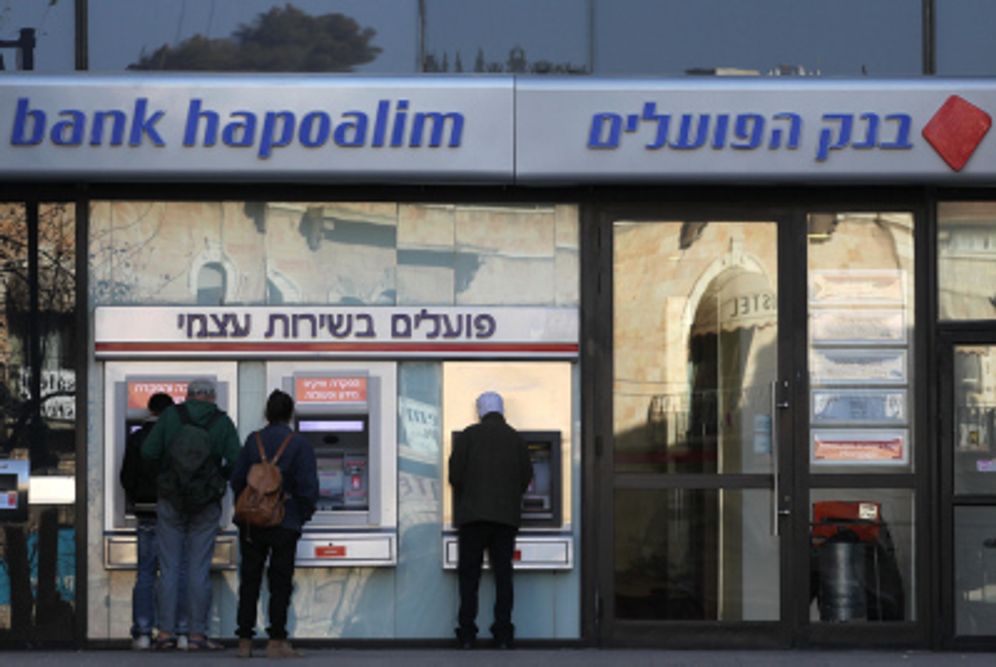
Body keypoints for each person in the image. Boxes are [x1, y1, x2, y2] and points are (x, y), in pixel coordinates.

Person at [141, 378, 241, 651]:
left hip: (171, 500)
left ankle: (165, 633)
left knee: (169, 567)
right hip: (206, 503)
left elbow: (148, 452)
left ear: (188, 396)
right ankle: (197, 635)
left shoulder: (171, 415)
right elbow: (237, 461)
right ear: (211, 397)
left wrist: (165, 479)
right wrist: (217, 481)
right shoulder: (222, 422)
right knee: (199, 568)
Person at [230, 389, 318, 659]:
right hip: (285, 521)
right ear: (290, 414)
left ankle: (244, 641)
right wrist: (300, 515)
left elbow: (236, 480)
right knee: (280, 582)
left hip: (252, 523)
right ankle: (276, 641)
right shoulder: (299, 444)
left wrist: (249, 509)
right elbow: (309, 487)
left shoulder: (253, 440)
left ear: (267, 413)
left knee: (250, 580)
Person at [448, 391, 533, 650]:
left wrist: (470, 494)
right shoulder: (516, 439)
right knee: (503, 577)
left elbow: (455, 476)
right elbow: (526, 477)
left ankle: (466, 634)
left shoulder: (468, 436)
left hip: (473, 518)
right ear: (501, 410)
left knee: (469, 578)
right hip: (505, 519)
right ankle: (504, 634)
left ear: (480, 410)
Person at [118, 392, 191, 650]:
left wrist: (138, 498)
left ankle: (143, 632)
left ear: (149, 410)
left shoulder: (137, 438)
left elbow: (126, 476)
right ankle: (180, 632)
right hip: (175, 514)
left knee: (146, 573)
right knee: (178, 571)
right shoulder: (178, 438)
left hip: (146, 512)